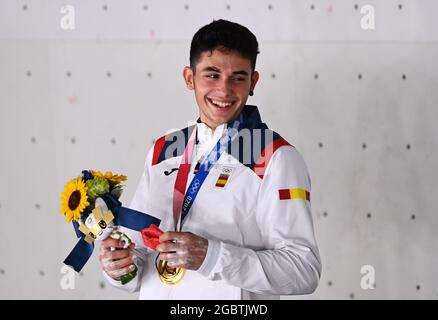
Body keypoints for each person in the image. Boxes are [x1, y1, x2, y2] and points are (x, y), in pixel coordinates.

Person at [99, 19, 321, 300]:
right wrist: (120, 268)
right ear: (189, 78)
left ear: (253, 82)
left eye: (238, 77)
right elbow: (139, 253)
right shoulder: (163, 150)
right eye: (212, 75)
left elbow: (304, 270)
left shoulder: (276, 156)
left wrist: (212, 256)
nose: (225, 90)